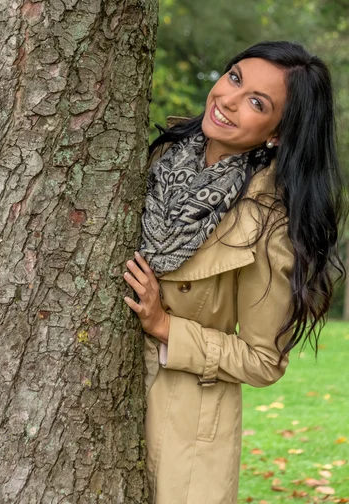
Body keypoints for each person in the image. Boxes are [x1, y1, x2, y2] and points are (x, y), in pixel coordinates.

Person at [122, 41, 345, 504]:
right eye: (236, 78)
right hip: (112, 397)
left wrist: (166, 327)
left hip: (187, 427)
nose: (228, 99)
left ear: (278, 135)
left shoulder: (270, 222)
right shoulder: (160, 157)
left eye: (257, 103)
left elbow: (264, 360)